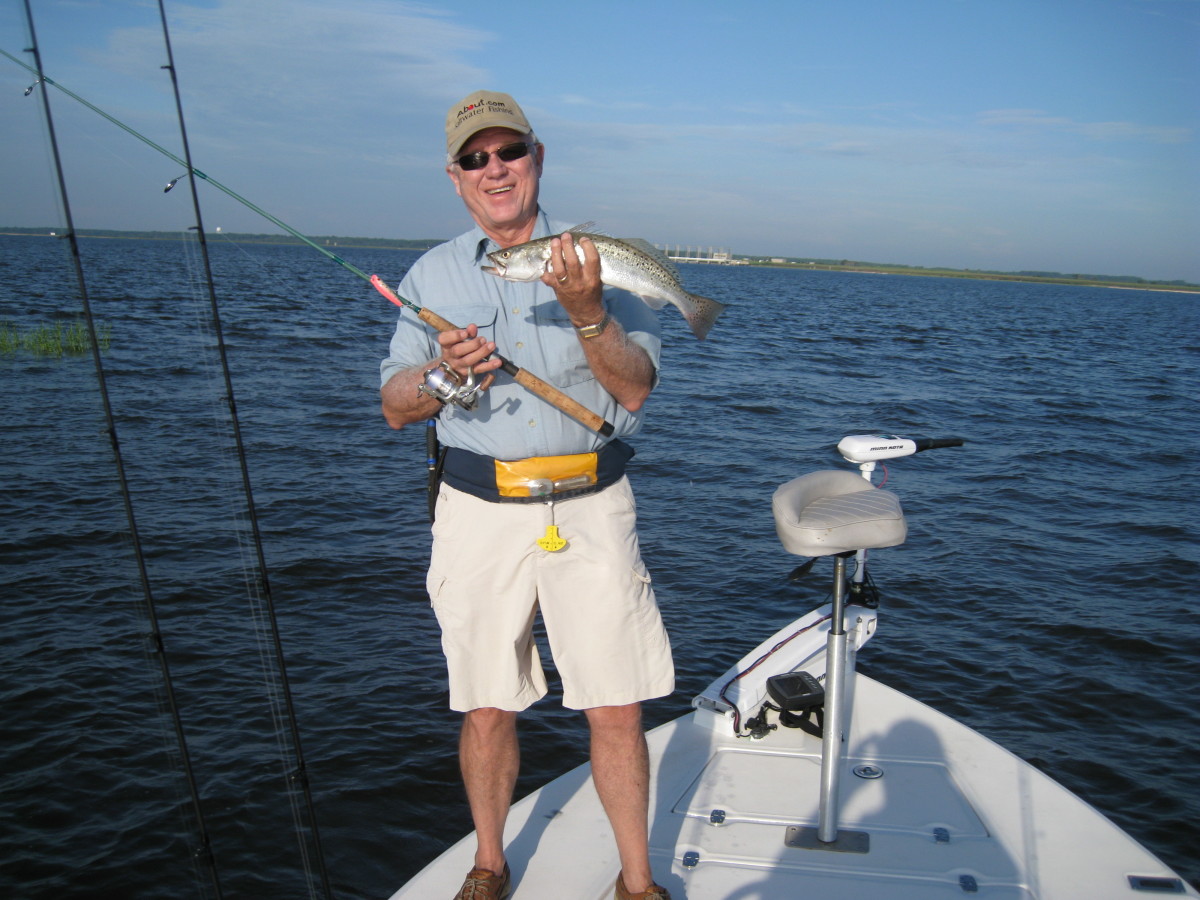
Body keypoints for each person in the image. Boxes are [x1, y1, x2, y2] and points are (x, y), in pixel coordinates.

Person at [379, 91, 675, 900]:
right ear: (456, 177)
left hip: (591, 504)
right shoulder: (431, 273)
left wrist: (587, 315)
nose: (494, 170)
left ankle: (638, 883)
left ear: (536, 159)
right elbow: (395, 407)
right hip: (477, 511)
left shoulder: (593, 263)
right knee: (485, 705)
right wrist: (442, 375)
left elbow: (637, 390)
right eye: (476, 159)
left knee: (615, 706)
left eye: (508, 152)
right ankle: (488, 862)